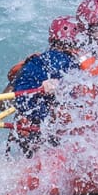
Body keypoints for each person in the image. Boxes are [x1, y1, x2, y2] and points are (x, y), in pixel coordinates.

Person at [6, 15, 84, 154]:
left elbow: (1, 104)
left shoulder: (32, 63)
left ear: (50, 40)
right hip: (65, 137)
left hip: (30, 136)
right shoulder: (82, 66)